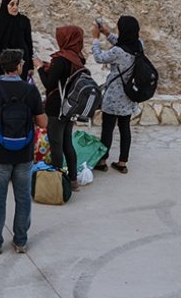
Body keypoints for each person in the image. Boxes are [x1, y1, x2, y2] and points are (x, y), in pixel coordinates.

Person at [0, 49, 47, 255]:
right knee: (23, 198)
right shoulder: (30, 91)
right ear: (19, 66)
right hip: (23, 154)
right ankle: (21, 241)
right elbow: (42, 122)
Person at [34, 25, 85, 191]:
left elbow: (49, 84)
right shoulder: (78, 58)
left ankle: (57, 184)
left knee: (56, 145)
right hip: (70, 107)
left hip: (56, 107)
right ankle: (73, 181)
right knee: (67, 143)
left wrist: (40, 67)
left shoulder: (61, 59)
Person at [92, 16, 141, 174]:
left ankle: (102, 160)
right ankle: (122, 162)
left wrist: (95, 39)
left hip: (113, 96)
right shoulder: (138, 46)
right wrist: (107, 33)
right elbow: (122, 43)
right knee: (124, 128)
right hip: (128, 95)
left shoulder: (118, 52)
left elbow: (99, 58)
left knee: (107, 129)